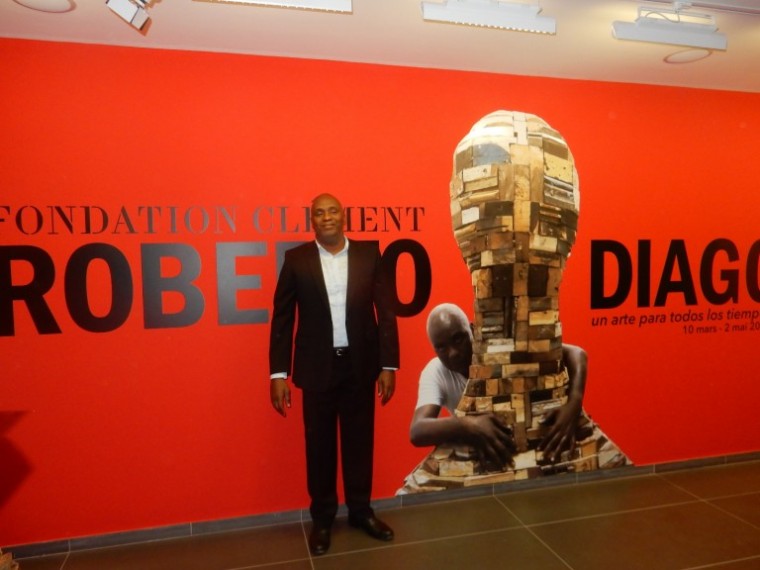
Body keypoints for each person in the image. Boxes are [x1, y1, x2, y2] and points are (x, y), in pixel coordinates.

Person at [269, 193, 399, 556]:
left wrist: (388, 365)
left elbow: (386, 312)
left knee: (360, 443)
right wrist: (278, 374)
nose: (326, 217)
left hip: (360, 365)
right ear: (312, 220)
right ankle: (323, 519)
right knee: (319, 447)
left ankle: (361, 512)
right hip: (316, 368)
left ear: (344, 216)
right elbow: (282, 318)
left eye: (332, 211)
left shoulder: (369, 255)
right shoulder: (296, 260)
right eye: (319, 213)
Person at [409, 303, 588, 471]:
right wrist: (468, 424)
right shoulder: (435, 372)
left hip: (535, 446)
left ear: (473, 330)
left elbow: (576, 353)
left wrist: (574, 403)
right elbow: (418, 430)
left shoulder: (497, 348)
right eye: (441, 348)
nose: (453, 353)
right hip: (492, 459)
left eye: (458, 339)